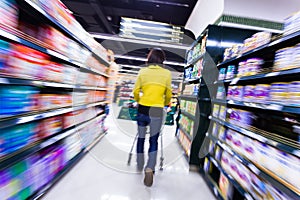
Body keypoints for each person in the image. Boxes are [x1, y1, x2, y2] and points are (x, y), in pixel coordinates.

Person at [133, 48, 172, 187]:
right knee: (154, 140)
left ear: (149, 58)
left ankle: (139, 163)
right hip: (156, 110)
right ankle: (150, 167)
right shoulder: (167, 73)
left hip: (143, 109)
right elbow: (169, 94)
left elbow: (136, 91)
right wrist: (165, 102)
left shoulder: (143, 72)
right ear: (162, 60)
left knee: (141, 137)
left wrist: (139, 100)